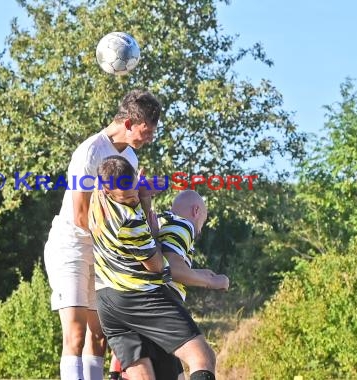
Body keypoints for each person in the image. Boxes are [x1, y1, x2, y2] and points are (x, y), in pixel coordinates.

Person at [43, 89, 162, 380]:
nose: (150, 138)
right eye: (147, 131)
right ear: (129, 124)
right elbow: (82, 216)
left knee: (99, 335)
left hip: (103, 250)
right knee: (75, 333)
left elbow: (127, 211)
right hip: (72, 246)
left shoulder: (130, 159)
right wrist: (116, 247)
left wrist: (144, 198)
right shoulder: (90, 152)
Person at [89, 155, 218, 380]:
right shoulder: (130, 222)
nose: (132, 200)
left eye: (133, 193)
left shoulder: (97, 198)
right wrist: (206, 278)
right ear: (108, 191)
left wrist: (145, 198)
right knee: (202, 357)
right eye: (127, 198)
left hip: (107, 303)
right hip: (139, 295)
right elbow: (157, 266)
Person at [107, 190, 230, 380]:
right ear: (196, 211)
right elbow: (172, 267)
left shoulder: (161, 223)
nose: (200, 229)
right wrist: (212, 281)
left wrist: (201, 273)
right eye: (203, 223)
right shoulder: (183, 225)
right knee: (203, 357)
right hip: (157, 303)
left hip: (119, 298)